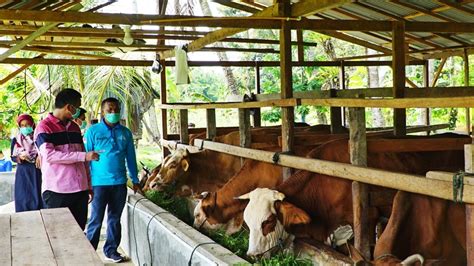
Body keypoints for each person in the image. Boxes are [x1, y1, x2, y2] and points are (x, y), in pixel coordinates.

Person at [85, 97, 141, 263]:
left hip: (119, 183)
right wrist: (87, 184)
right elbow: (87, 159)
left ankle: (111, 251)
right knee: (96, 219)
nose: (113, 112)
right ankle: (89, 252)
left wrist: (135, 179)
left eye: (116, 109)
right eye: (110, 110)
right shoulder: (93, 131)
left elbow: (131, 157)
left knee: (115, 219)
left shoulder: (125, 133)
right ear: (102, 111)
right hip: (99, 184)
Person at [34, 88, 99, 229]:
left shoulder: (75, 128)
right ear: (69, 107)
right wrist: (83, 156)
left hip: (80, 190)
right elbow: (50, 155)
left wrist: (88, 185)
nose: (78, 111)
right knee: (58, 233)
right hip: (57, 191)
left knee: (79, 231)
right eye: (77, 107)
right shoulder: (44, 127)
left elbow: (84, 160)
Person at [11, 114, 43, 212]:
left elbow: (44, 151)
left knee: (37, 194)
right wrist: (19, 157)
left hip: (36, 170)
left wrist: (39, 156)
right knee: (23, 196)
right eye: (23, 125)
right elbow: (12, 157)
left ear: (33, 125)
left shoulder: (38, 138)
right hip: (23, 172)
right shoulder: (16, 140)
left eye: (28, 125)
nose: (25, 127)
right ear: (19, 127)